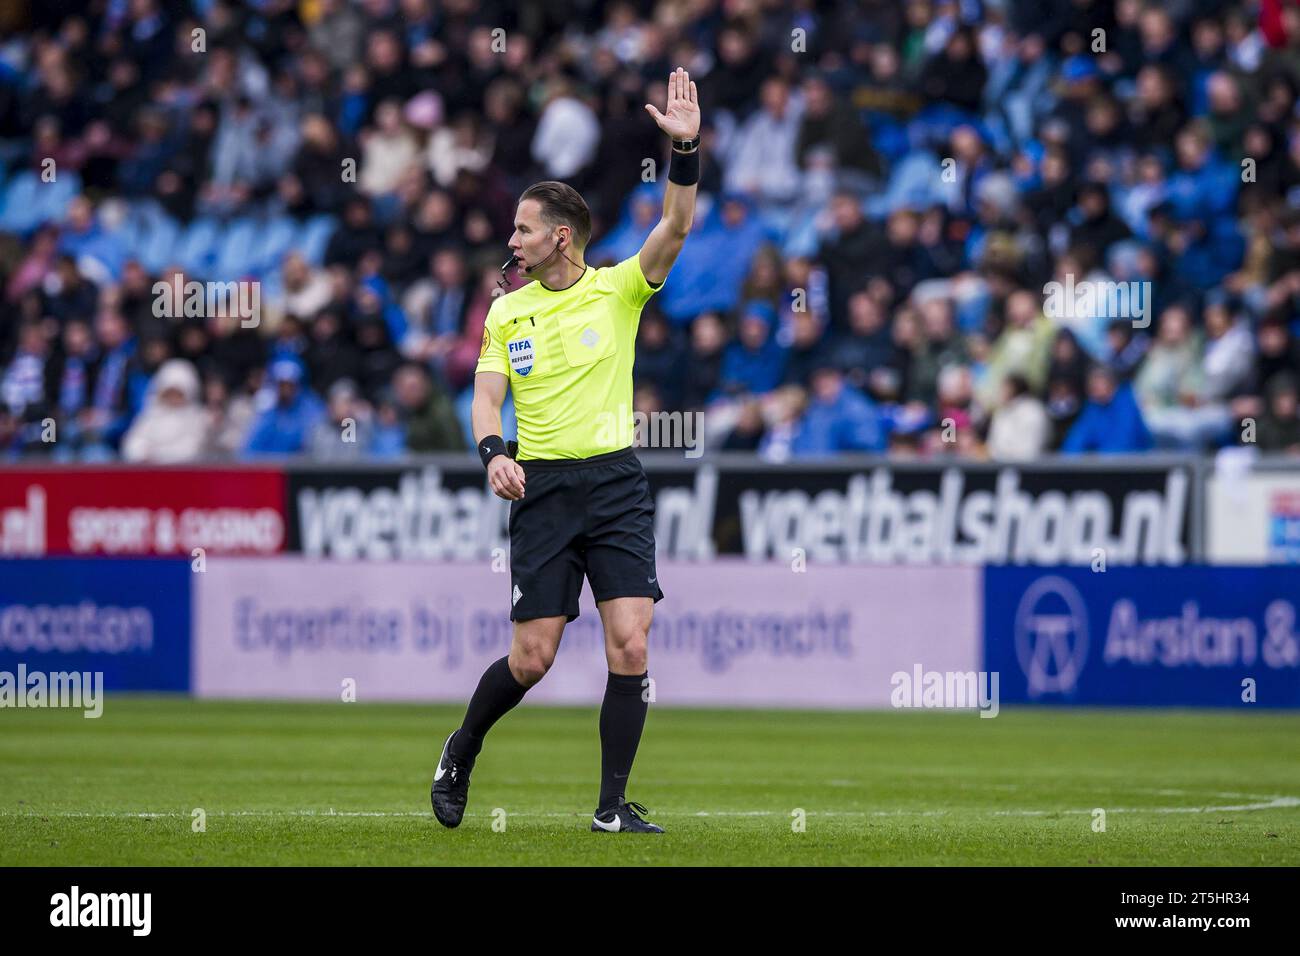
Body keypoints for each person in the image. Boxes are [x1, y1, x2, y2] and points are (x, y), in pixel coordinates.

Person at [431, 69, 702, 836]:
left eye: (522, 229)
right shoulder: (505, 311)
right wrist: (492, 452)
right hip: (542, 487)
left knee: (631, 640)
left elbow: (675, 227)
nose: (510, 241)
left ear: (560, 236)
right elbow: (487, 396)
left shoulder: (619, 289)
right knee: (533, 659)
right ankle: (462, 747)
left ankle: (612, 807)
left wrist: (683, 150)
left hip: (615, 481)